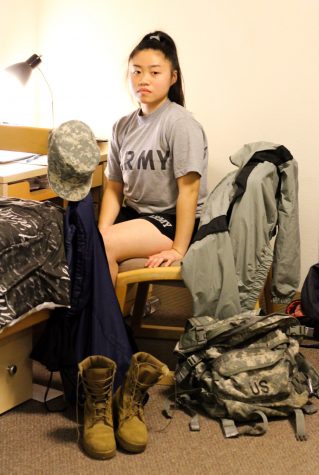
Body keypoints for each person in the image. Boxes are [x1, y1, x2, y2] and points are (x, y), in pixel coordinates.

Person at [98, 31, 208, 285]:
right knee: (82, 240)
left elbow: (189, 192)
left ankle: (106, 324)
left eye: (154, 72)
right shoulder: (121, 126)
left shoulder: (180, 123)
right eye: (136, 71)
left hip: (171, 220)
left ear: (172, 78)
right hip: (136, 215)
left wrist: (179, 249)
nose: (143, 79)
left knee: (99, 244)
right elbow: (114, 188)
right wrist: (102, 229)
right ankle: (103, 321)